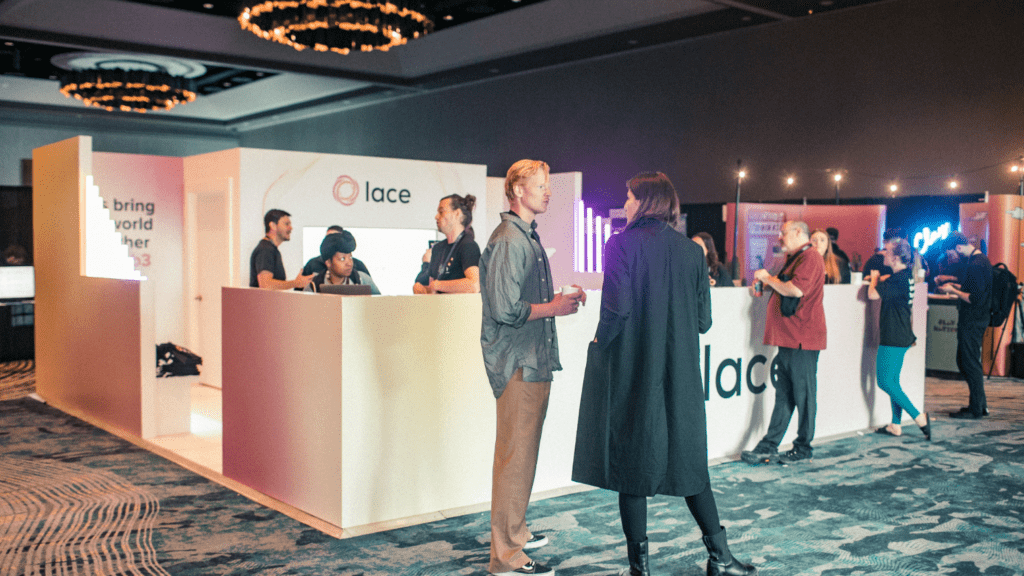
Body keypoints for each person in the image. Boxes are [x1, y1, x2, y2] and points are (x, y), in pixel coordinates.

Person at [572, 172, 756, 576]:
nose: (626, 204)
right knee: (692, 465)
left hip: (634, 371)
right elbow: (704, 321)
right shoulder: (692, 253)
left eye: (629, 196)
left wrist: (600, 345)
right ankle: (721, 559)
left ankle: (641, 569)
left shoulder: (620, 244)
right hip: (682, 375)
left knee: (631, 469)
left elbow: (616, 312)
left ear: (646, 202)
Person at [479, 159, 585, 576]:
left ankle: (515, 534)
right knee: (514, 459)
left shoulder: (523, 236)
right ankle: (505, 557)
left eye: (546, 185)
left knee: (521, 456)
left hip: (531, 361)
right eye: (540, 185)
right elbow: (505, 309)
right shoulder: (510, 239)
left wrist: (558, 301)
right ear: (518, 190)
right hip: (519, 363)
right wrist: (556, 306)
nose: (547, 191)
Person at [741, 221, 826, 465]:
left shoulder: (810, 258)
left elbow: (796, 290)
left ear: (799, 232)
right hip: (791, 338)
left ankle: (803, 446)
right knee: (785, 395)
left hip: (802, 338)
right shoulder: (798, 258)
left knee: (803, 395)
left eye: (784, 233)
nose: (780, 238)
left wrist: (768, 278)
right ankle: (770, 445)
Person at [867, 238, 930, 439]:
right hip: (901, 334)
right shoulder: (904, 277)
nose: (882, 253)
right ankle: (895, 425)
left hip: (893, 336)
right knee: (893, 381)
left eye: (886, 251)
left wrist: (875, 278)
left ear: (894, 257)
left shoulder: (898, 279)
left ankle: (919, 417)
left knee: (885, 382)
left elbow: (872, 295)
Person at [937, 232, 993, 419]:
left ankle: (976, 408)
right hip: (977, 319)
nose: (951, 257)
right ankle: (980, 405)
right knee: (967, 361)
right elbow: (974, 291)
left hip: (973, 320)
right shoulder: (980, 261)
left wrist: (952, 290)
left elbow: (973, 298)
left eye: (951, 253)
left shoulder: (976, 265)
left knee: (968, 362)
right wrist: (953, 286)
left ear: (958, 248)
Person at [413, 194, 481, 294]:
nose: (436, 217)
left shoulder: (468, 245)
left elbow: (474, 285)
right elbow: (434, 290)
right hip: (439, 308)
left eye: (441, 212)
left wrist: (439, 285)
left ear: (457, 214)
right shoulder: (437, 248)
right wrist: (424, 290)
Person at [249, 209, 314, 290]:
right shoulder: (265, 250)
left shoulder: (270, 249)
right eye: (286, 224)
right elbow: (266, 285)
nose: (291, 228)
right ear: (273, 225)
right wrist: (295, 283)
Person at [303, 229, 380, 294]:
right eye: (342, 259)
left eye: (350, 257)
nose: (349, 263)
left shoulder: (362, 279)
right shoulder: (314, 286)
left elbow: (379, 304)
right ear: (328, 263)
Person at [302, 225, 371, 278]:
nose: (330, 241)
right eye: (328, 238)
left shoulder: (358, 266)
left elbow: (374, 294)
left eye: (335, 237)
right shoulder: (312, 264)